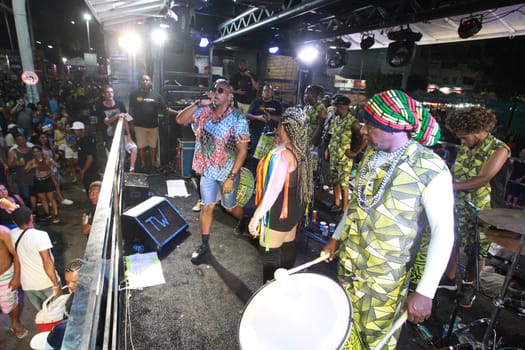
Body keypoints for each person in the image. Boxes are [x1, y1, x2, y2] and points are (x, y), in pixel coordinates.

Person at [322, 89, 454, 349]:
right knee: (342, 332)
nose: (364, 131)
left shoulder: (431, 167)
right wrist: (336, 238)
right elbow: (357, 202)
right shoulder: (372, 154)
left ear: (394, 128)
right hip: (349, 267)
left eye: (371, 126)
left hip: (384, 282)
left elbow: (444, 232)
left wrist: (425, 291)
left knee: (376, 342)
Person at [440, 106, 510, 308]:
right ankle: (449, 279)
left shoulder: (500, 149)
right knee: (454, 240)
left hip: (484, 209)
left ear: (477, 131)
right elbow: (455, 170)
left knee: (476, 250)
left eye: (464, 137)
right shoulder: (466, 146)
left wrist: (449, 186)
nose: (462, 141)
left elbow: (483, 178)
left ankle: (469, 287)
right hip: (459, 204)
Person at [176, 79, 250, 264]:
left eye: (221, 90)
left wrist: (232, 178)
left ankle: (244, 220)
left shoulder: (238, 119)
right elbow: (180, 119)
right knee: (207, 206)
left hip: (227, 172)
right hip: (208, 170)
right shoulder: (204, 112)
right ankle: (205, 246)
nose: (215, 93)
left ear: (230, 96)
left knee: (229, 206)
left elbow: (242, 151)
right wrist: (198, 103)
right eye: (214, 90)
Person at [248, 107, 313, 283]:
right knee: (288, 245)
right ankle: (287, 281)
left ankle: (269, 290)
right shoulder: (302, 151)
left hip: (278, 212)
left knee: (269, 252)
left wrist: (256, 216)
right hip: (294, 210)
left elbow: (273, 190)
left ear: (284, 127)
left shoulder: (283, 155)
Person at [10, 206, 62, 311]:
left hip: (28, 285)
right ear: (31, 218)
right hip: (46, 283)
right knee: (57, 313)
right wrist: (55, 284)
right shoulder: (40, 235)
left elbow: (17, 257)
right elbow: (47, 261)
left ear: (14, 221)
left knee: (44, 315)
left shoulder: (13, 234)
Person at [128, 74, 177, 172]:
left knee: (152, 146)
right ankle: (142, 165)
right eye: (143, 80)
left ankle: (153, 165)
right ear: (140, 82)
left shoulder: (157, 95)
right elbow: (131, 110)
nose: (145, 82)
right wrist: (131, 124)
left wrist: (178, 113)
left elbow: (165, 109)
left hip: (153, 125)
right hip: (139, 125)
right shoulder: (134, 94)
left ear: (151, 82)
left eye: (147, 80)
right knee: (141, 146)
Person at [326, 95, 365, 213]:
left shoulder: (353, 122)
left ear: (342, 107)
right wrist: (327, 150)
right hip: (334, 156)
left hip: (345, 159)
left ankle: (344, 210)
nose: (333, 109)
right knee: (335, 182)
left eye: (335, 107)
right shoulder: (336, 119)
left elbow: (364, 138)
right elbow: (332, 136)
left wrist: (355, 153)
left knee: (344, 185)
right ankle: (336, 204)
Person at [100, 85, 137, 172]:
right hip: (109, 136)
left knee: (134, 149)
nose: (110, 94)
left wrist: (128, 135)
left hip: (122, 135)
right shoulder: (100, 106)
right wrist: (116, 116)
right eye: (108, 92)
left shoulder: (120, 104)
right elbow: (106, 122)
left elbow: (126, 120)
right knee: (114, 157)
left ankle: (132, 169)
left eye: (112, 92)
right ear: (103, 94)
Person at [0, 224, 28, 339]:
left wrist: (16, 276)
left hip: (4, 276)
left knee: (10, 303)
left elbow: (16, 254)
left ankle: (15, 322)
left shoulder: (3, 232)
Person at [24, 145, 62, 223]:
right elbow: (25, 171)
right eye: (34, 152)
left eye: (38, 151)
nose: (36, 153)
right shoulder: (32, 161)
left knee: (51, 198)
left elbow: (58, 165)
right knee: (43, 199)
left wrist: (51, 161)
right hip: (38, 181)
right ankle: (48, 214)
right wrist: (31, 167)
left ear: (41, 151)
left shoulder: (46, 158)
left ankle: (56, 215)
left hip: (47, 180)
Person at [246, 83, 282, 160]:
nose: (266, 92)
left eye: (269, 91)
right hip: (257, 133)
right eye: (265, 90)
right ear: (262, 92)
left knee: (269, 158)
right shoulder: (256, 102)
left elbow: (281, 117)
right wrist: (257, 117)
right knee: (255, 157)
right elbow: (248, 115)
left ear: (272, 93)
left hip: (271, 135)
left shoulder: (277, 104)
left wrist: (271, 117)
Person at [70, 121, 99, 194]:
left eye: (76, 130)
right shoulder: (80, 139)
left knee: (91, 188)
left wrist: (83, 171)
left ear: (82, 130)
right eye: (74, 130)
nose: (74, 132)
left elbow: (90, 157)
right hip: (87, 168)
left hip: (90, 170)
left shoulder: (87, 140)